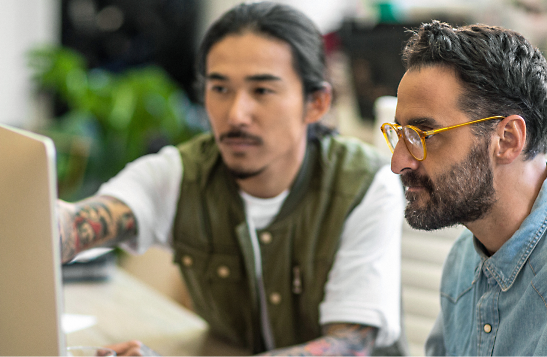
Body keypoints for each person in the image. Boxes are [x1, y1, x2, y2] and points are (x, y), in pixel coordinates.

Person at [58, 2, 407, 356]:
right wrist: (46, 223)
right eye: (220, 89)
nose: (236, 114)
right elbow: (76, 222)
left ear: (316, 102)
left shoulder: (365, 184)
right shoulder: (181, 173)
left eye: (262, 91)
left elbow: (348, 346)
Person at [381, 20, 547, 356]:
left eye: (423, 136)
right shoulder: (464, 260)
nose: (398, 162)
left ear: (507, 140)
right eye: (399, 134)